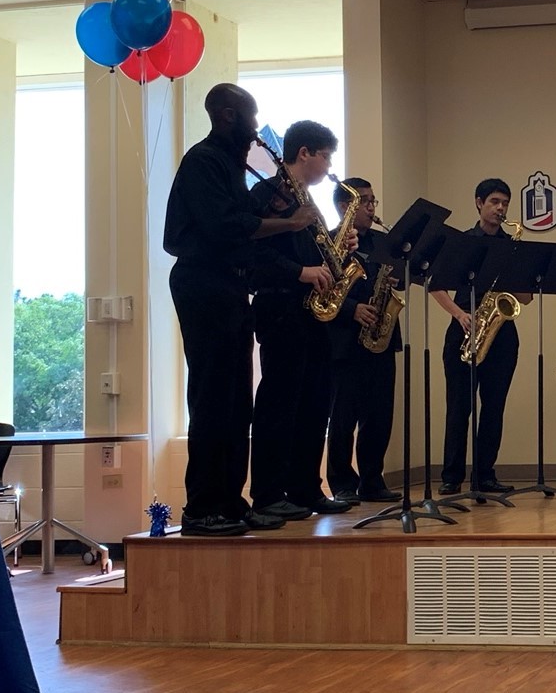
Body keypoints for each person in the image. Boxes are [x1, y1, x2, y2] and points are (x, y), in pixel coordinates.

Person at [163, 84, 317, 537]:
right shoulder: (203, 160)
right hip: (203, 281)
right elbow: (223, 227)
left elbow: (237, 225)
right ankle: (202, 508)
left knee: (236, 402)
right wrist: (289, 222)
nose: (255, 131)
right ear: (228, 116)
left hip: (230, 284)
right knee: (212, 398)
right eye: (251, 120)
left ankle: (232, 501)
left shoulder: (228, 164)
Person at [249, 120, 352, 520]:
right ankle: (269, 494)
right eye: (326, 156)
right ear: (305, 152)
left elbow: (323, 262)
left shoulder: (309, 205)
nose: (329, 166)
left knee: (314, 403)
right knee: (279, 404)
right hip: (280, 309)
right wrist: (301, 272)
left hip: (311, 314)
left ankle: (306, 488)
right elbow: (256, 256)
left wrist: (339, 247)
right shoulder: (266, 195)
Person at [432, 179, 528, 496]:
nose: (501, 209)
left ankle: (484, 475)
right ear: (479, 203)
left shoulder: (512, 245)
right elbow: (435, 285)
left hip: (501, 334)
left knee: (494, 407)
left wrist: (514, 281)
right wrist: (458, 314)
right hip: (464, 327)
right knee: (459, 407)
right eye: (495, 202)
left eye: (505, 203)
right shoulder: (461, 242)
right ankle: (451, 477)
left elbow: (525, 297)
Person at [325, 178, 401, 505]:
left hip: (380, 337)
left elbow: (399, 280)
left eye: (374, 202)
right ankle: (342, 482)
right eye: (365, 202)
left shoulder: (386, 244)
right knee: (343, 416)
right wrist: (353, 309)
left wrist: (400, 276)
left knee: (379, 414)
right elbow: (322, 291)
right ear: (345, 207)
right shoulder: (328, 242)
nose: (372, 208)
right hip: (344, 340)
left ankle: (372, 479)